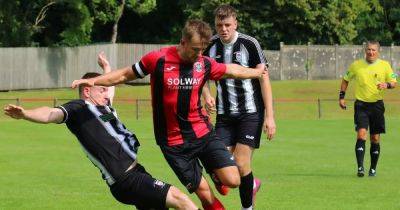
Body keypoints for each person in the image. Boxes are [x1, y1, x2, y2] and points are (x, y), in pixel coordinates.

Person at [71, 19, 266, 210]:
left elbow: (231, 70)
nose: (199, 54)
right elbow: (124, 75)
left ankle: (216, 174)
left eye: (202, 50)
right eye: (195, 49)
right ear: (183, 42)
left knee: (232, 180)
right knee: (205, 195)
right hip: (173, 144)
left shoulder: (204, 63)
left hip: (202, 133)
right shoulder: (158, 59)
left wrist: (256, 73)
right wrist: (94, 81)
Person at [4, 72, 199, 210]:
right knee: (181, 200)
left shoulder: (104, 110)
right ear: (87, 92)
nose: (107, 94)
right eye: (102, 90)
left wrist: (106, 70)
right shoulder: (79, 109)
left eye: (107, 90)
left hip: (135, 174)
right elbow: (51, 113)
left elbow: (111, 87)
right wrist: (25, 114)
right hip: (126, 179)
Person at [201, 5, 276, 209]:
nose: (223, 29)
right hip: (224, 116)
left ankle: (247, 207)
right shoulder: (210, 45)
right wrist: (207, 95)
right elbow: (200, 74)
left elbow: (263, 79)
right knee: (221, 167)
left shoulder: (249, 44)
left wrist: (270, 117)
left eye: (227, 25)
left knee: (242, 165)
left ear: (235, 24)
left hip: (250, 114)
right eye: (219, 25)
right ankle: (251, 184)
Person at [339, 41, 397, 177]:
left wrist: (387, 85)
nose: (371, 52)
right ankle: (360, 168)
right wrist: (341, 97)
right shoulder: (356, 65)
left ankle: (373, 168)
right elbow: (345, 79)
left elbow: (394, 82)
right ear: (365, 51)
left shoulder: (385, 66)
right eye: (368, 50)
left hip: (377, 105)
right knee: (361, 134)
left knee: (375, 138)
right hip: (361, 105)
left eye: (373, 50)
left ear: (378, 51)